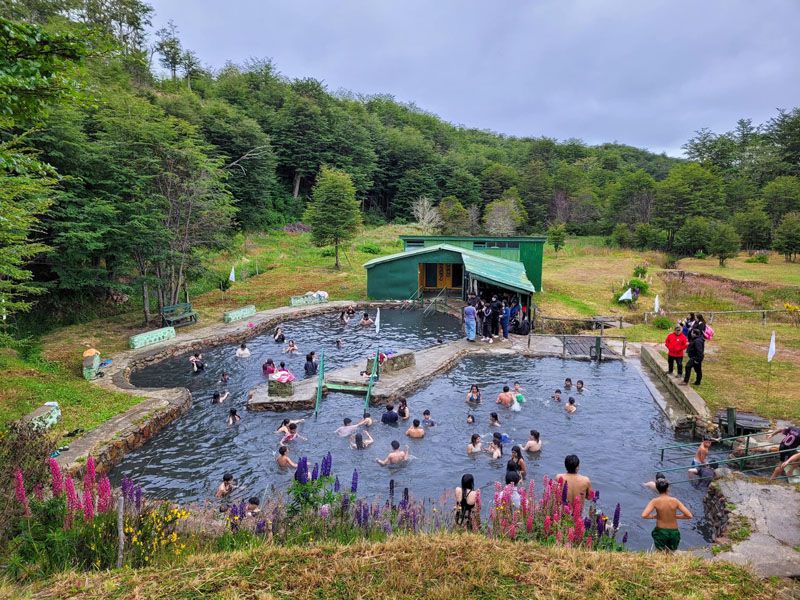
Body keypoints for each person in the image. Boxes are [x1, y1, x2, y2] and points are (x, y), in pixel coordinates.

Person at [641, 478, 693, 551]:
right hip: (673, 532)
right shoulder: (675, 501)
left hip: (661, 532)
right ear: (668, 488)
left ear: (657, 488)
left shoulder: (655, 501)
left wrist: (654, 516)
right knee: (671, 552)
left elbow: (644, 515)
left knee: (660, 552)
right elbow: (689, 515)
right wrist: (676, 516)